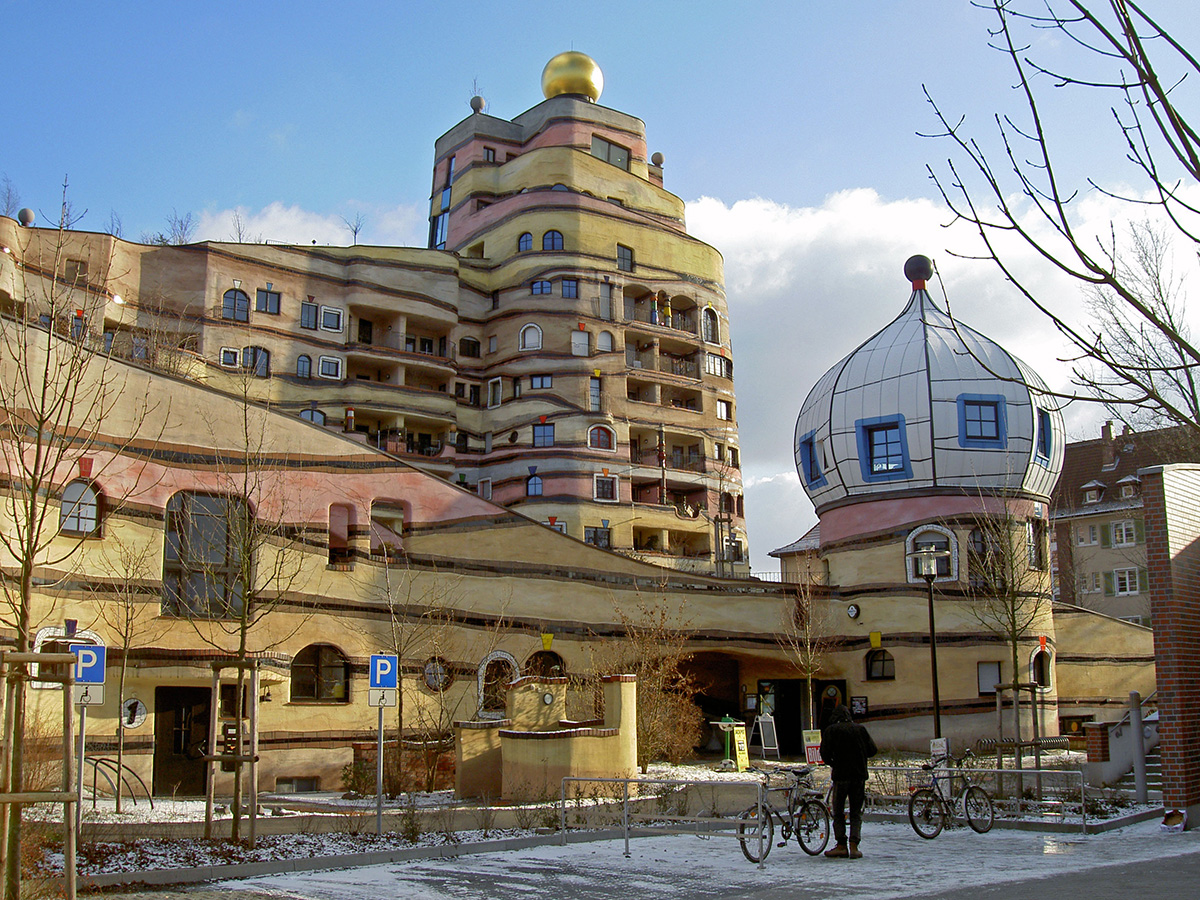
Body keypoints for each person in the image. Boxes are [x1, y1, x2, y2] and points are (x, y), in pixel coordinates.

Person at [819, 703, 877, 859]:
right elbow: (873, 750)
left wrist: (833, 762)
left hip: (841, 775)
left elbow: (823, 753)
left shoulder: (831, 731)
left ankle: (841, 845)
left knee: (838, 811)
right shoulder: (860, 729)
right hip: (858, 775)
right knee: (855, 812)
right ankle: (854, 845)